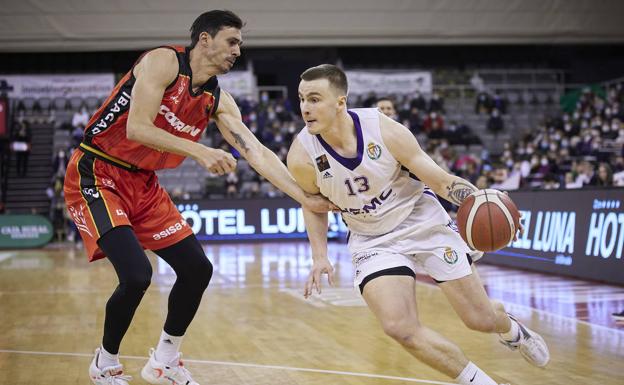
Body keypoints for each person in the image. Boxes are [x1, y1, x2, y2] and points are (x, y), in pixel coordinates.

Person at [64, 11, 333, 385]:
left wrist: (306, 197)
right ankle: (105, 362)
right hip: (97, 171)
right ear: (204, 40)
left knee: (197, 269)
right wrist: (200, 151)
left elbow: (255, 151)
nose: (238, 51)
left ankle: (164, 362)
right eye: (232, 41)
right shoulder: (162, 62)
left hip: (143, 183)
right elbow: (137, 127)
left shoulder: (218, 100)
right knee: (137, 274)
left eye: (240, 43)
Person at [287, 64, 550, 385]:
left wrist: (488, 202)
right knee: (400, 328)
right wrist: (319, 255)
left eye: (314, 99)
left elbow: (440, 180)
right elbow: (312, 205)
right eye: (302, 99)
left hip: (421, 220)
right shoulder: (302, 154)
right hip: (372, 239)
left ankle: (512, 330)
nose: (305, 108)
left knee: (479, 319)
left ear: (340, 102)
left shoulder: (384, 130)